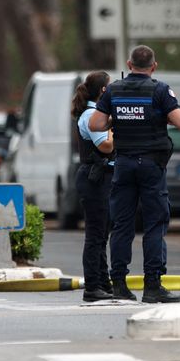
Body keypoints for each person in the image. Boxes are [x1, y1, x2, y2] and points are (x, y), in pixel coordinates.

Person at [89, 45, 180, 303]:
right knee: (155, 224)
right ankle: (153, 285)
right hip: (151, 166)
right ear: (153, 66)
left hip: (123, 163)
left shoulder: (113, 90)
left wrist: (117, 119)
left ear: (129, 64)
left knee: (122, 224)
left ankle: (119, 284)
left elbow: (96, 124)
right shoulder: (159, 90)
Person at [71, 71, 115, 302]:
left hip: (100, 178)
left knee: (102, 233)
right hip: (95, 178)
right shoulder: (91, 115)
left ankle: (103, 283)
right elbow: (106, 146)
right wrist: (115, 127)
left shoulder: (96, 113)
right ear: (103, 92)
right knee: (96, 235)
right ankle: (92, 286)